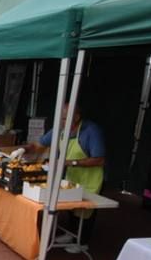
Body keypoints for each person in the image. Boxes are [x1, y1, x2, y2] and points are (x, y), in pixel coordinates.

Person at [30, 103, 105, 245]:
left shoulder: (91, 131)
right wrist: (23, 149)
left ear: (76, 117)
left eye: (64, 119)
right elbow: (39, 144)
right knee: (71, 207)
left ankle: (82, 243)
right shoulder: (60, 129)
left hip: (91, 179)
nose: (61, 122)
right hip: (72, 177)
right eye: (60, 118)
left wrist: (70, 163)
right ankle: (70, 235)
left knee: (85, 213)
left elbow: (99, 159)